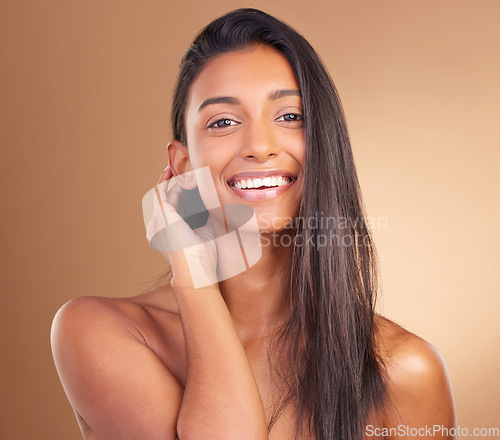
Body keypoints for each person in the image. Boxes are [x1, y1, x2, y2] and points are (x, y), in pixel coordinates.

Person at [51, 8, 456, 440]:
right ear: (182, 165)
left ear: (327, 144)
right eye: (223, 122)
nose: (260, 147)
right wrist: (194, 278)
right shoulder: (101, 333)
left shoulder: (406, 372)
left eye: (289, 116)